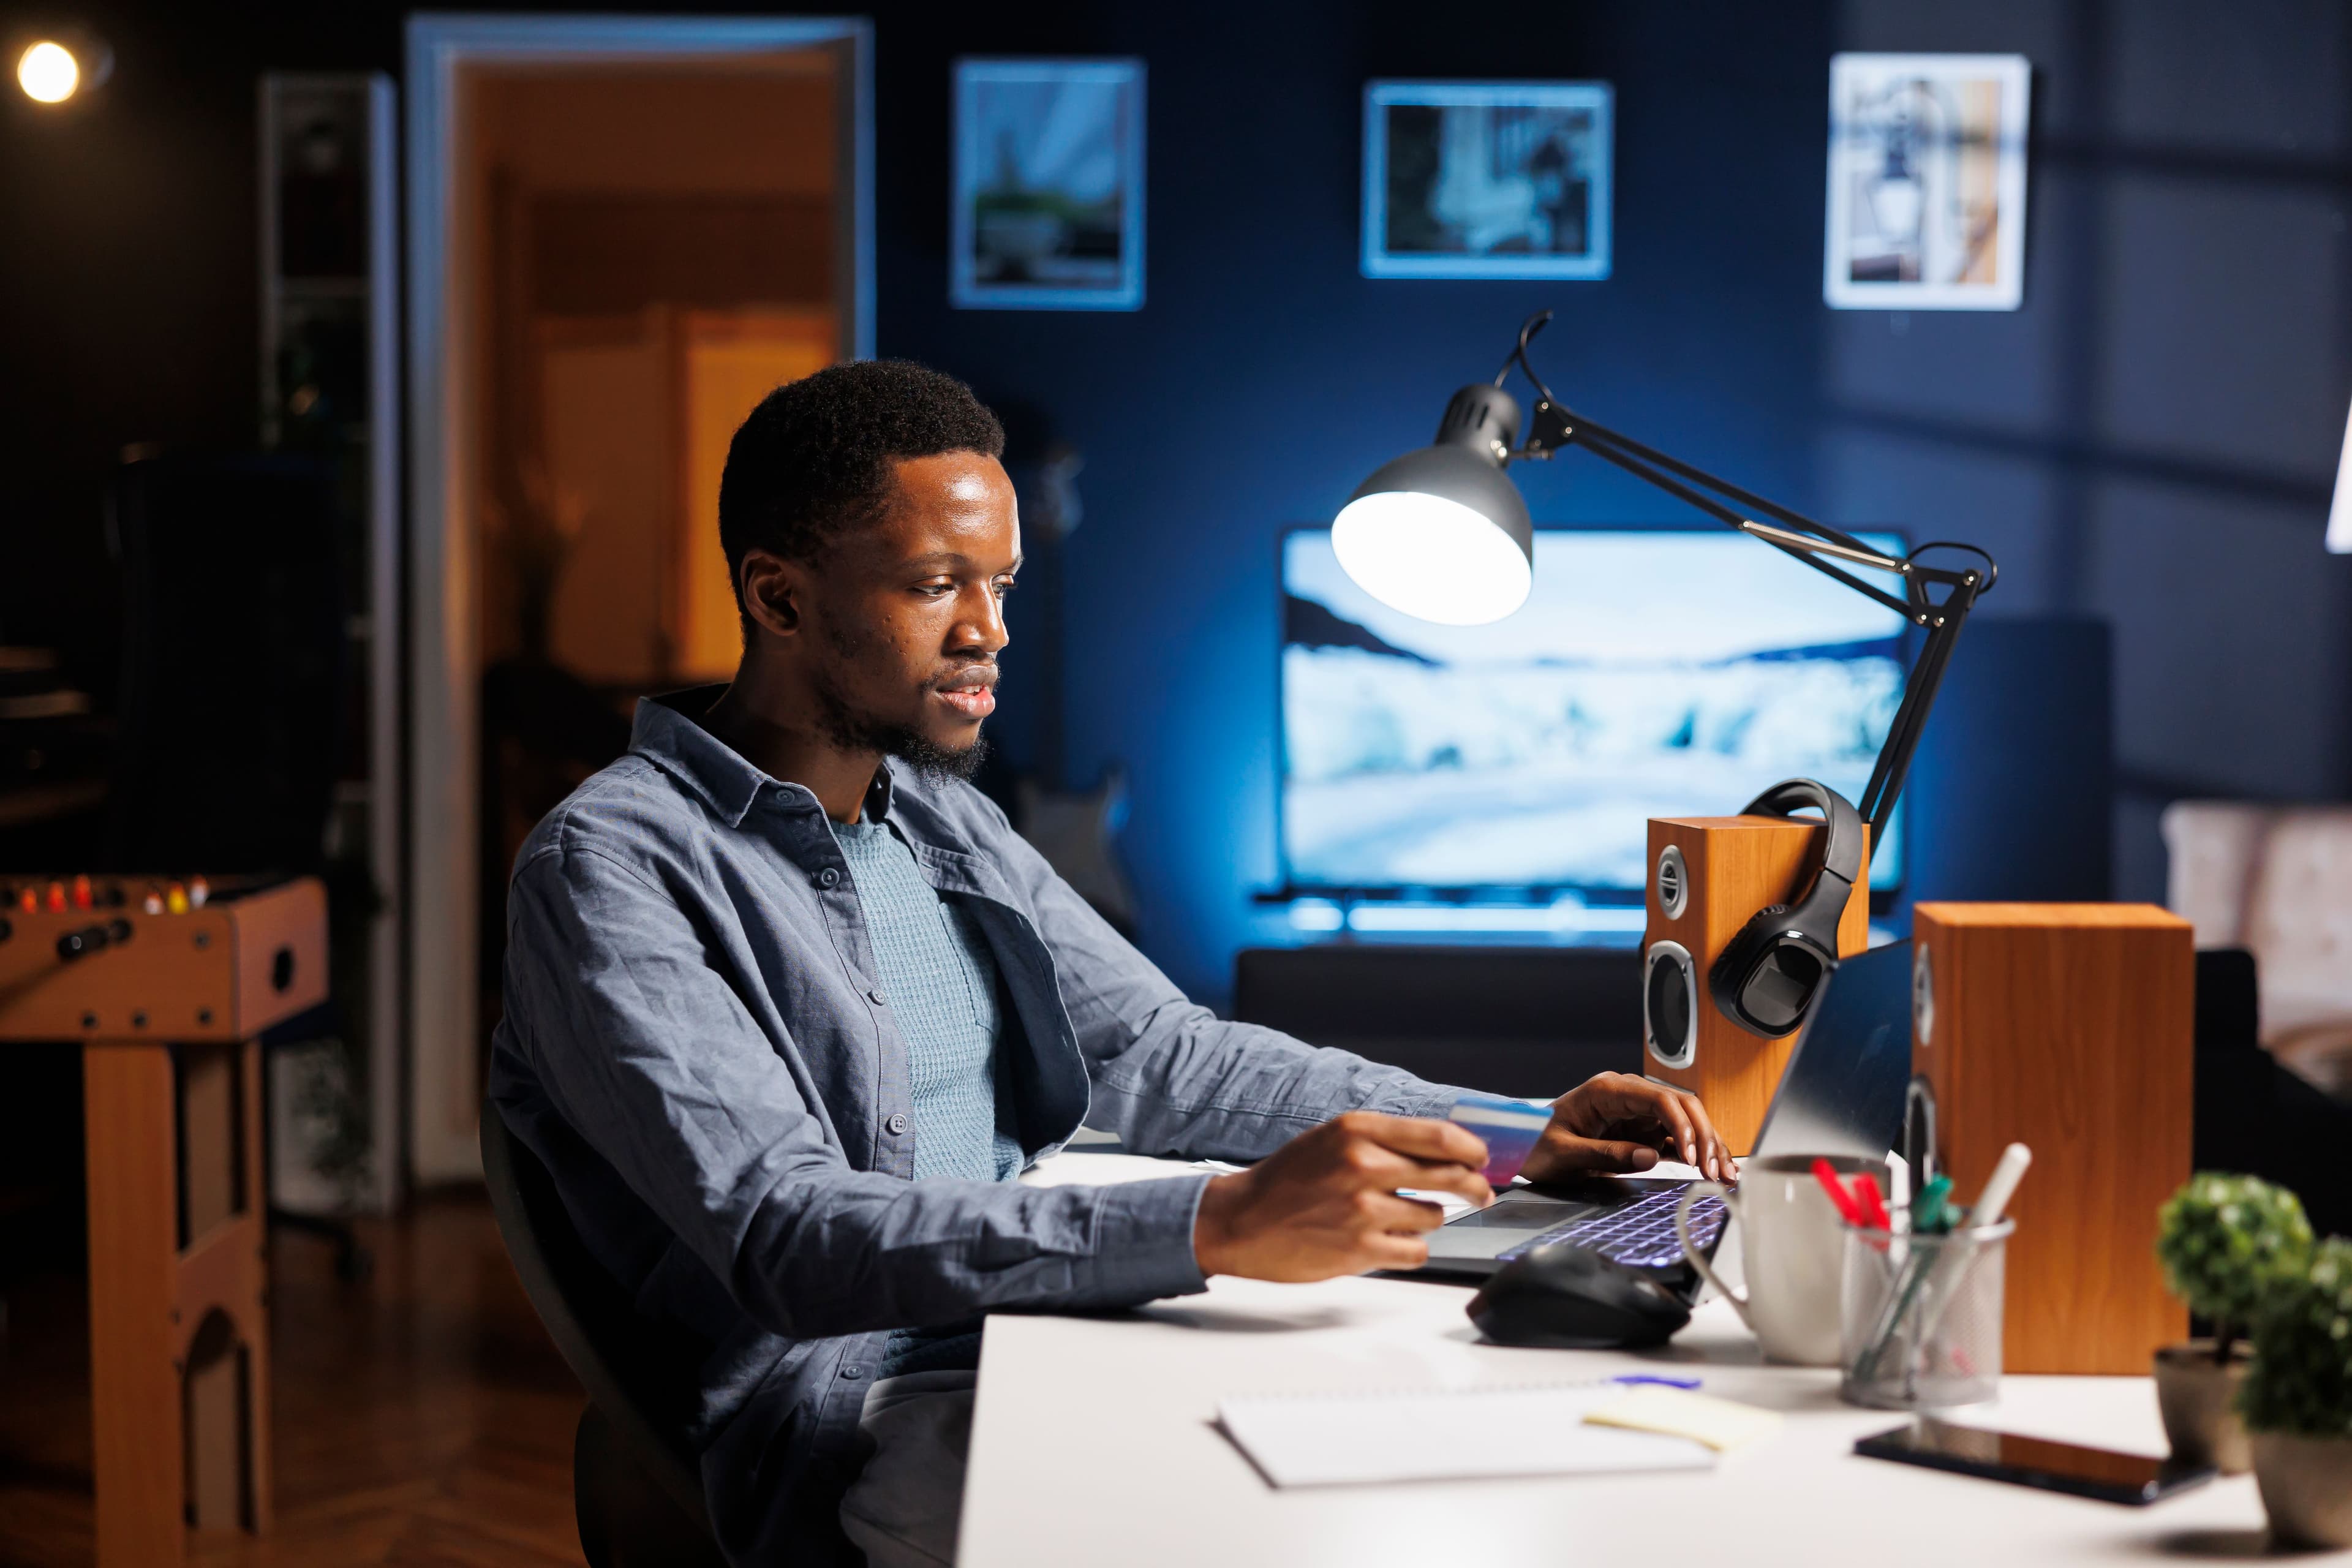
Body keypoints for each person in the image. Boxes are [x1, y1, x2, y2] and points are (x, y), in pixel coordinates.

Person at [489, 360, 1733, 1568]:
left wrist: (1509, 1134)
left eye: (1003, 583)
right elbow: (787, 1227)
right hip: (855, 1411)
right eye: (938, 586)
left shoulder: (934, 814)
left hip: (1039, 1335)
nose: (991, 632)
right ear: (779, 598)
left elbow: (1152, 1048)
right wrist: (1223, 1219)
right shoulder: (612, 868)